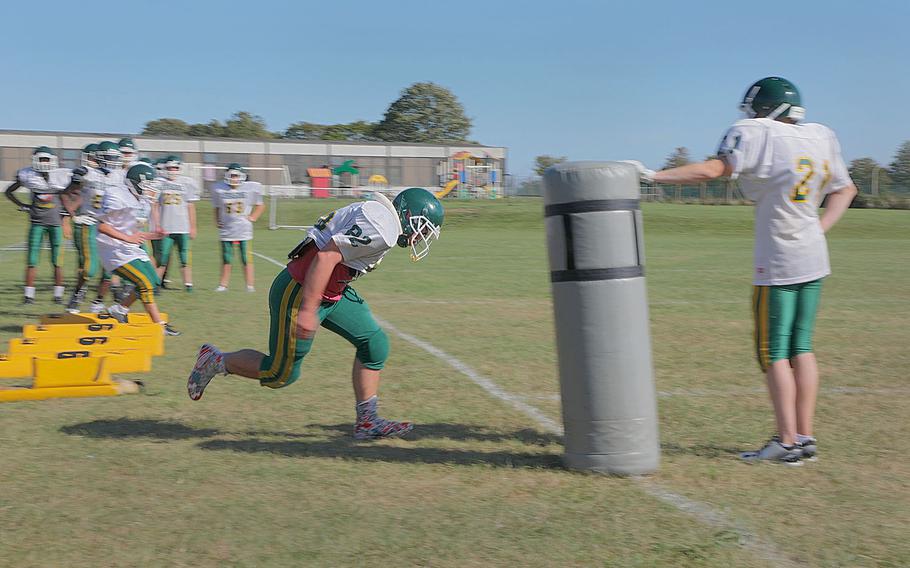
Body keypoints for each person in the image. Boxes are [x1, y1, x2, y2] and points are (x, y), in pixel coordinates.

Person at [628, 77, 857, 465]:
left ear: (764, 109)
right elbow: (845, 189)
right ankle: (804, 436)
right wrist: (817, 229)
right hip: (813, 256)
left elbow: (714, 169)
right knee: (801, 347)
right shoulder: (819, 136)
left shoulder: (756, 132)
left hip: (780, 258)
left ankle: (785, 443)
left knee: (772, 352)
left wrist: (653, 175)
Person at [187, 187, 444, 440]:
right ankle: (215, 360)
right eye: (422, 228)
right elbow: (326, 257)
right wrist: (309, 309)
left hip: (330, 291)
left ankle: (367, 422)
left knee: (374, 343)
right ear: (409, 215)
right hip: (301, 289)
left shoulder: (381, 217)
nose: (420, 237)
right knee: (280, 374)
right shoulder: (382, 226)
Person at [96, 162, 179, 336]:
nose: (150, 189)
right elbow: (102, 226)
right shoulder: (117, 195)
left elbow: (135, 233)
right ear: (134, 183)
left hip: (130, 247)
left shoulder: (143, 202)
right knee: (144, 283)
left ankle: (120, 309)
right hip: (113, 249)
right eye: (147, 184)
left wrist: (155, 235)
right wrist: (128, 238)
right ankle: (159, 325)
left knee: (154, 281)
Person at [4, 146, 70, 304]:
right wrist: (23, 205)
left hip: (55, 223)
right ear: (35, 160)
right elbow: (9, 191)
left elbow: (73, 192)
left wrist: (67, 215)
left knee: (58, 261)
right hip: (37, 222)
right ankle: (29, 296)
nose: (45, 162)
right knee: (32, 260)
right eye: (42, 159)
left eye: (47, 159)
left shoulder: (60, 175)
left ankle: (58, 295)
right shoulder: (27, 175)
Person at [61, 142, 116, 313]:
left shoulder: (120, 177)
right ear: (99, 157)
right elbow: (66, 192)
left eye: (114, 158)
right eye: (108, 158)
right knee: (89, 268)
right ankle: (77, 295)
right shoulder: (88, 174)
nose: (112, 161)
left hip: (109, 225)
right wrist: (71, 214)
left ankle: (98, 301)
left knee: (111, 267)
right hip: (89, 222)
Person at [210, 163, 265, 292]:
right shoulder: (219, 189)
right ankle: (223, 285)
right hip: (227, 228)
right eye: (232, 175)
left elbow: (260, 205)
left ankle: (250, 285)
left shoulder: (250, 188)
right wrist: (217, 220)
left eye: (236, 176)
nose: (234, 178)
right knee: (226, 258)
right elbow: (217, 207)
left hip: (243, 229)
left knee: (246, 258)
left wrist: (253, 217)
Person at [155, 155, 199, 292]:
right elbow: (155, 205)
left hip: (183, 227)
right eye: (170, 168)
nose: (172, 170)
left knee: (185, 258)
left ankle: (188, 285)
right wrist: (157, 224)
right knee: (162, 259)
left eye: (175, 167)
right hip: (166, 227)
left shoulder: (187, 183)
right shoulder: (159, 182)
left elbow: (190, 206)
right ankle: (155, 285)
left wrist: (193, 226)